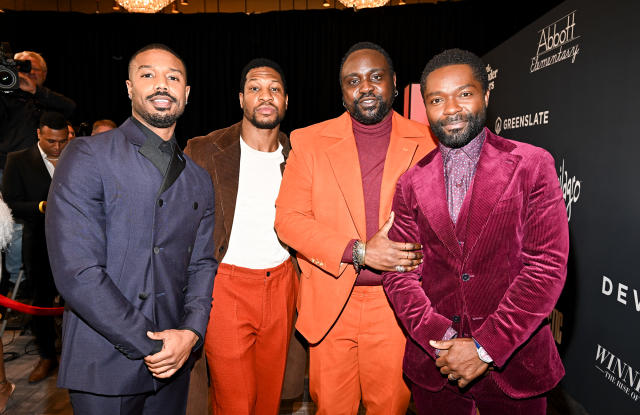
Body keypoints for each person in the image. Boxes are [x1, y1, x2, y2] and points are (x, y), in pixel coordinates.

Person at [381, 48, 569, 414]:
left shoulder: (532, 165)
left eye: (463, 94)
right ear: (425, 108)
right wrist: (444, 340)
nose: (450, 109)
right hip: (436, 368)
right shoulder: (410, 182)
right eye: (437, 99)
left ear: (485, 95)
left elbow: (545, 268)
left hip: (515, 366)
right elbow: (399, 273)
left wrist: (485, 347)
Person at [45, 43, 217, 415]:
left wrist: (191, 334)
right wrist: (151, 344)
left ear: (186, 94)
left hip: (175, 364)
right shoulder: (87, 155)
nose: (161, 84)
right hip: (104, 363)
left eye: (173, 77)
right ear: (129, 88)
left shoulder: (200, 180)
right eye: (148, 75)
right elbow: (77, 272)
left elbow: (203, 264)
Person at [275, 42, 436, 414]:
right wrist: (361, 252)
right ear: (343, 91)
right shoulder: (309, 142)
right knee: (331, 408)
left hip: (398, 305)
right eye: (353, 80)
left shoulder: (428, 142)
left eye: (376, 77)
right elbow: (288, 220)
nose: (365, 87)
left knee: (391, 407)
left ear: (394, 83)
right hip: (332, 302)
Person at [184, 58, 299, 415]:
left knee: (270, 397)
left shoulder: (300, 154)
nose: (265, 96)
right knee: (234, 400)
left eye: (274, 89)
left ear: (285, 101)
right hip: (226, 286)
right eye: (255, 88)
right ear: (240, 98)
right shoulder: (204, 150)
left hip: (283, 284)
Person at [2, 111, 69, 383]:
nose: (57, 146)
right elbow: (11, 205)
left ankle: (71, 355)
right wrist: (42, 207)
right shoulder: (17, 160)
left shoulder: (76, 155)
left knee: (75, 302)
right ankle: (46, 356)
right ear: (39, 134)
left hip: (77, 244)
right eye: (52, 141)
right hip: (38, 243)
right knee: (41, 301)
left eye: (62, 140)